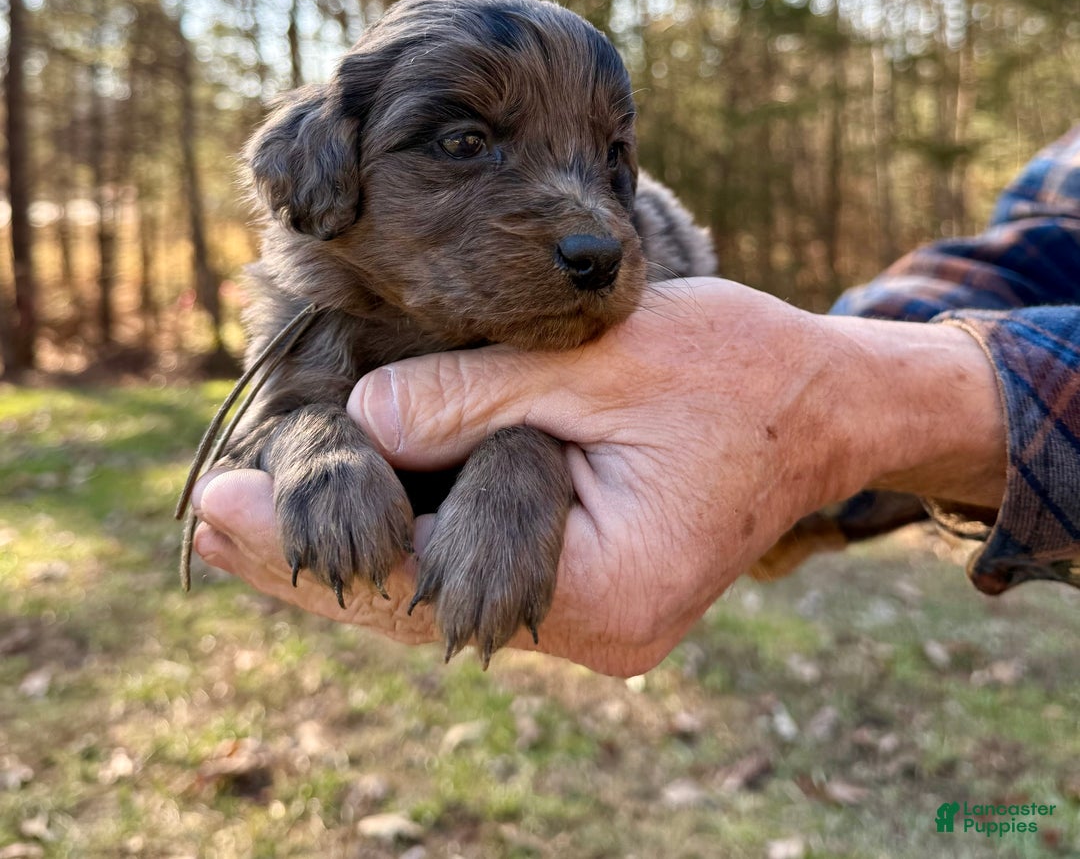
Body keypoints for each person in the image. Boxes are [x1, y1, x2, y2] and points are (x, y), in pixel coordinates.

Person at [190, 127, 1080, 678]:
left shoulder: (610, 250)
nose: (596, 226)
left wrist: (835, 414)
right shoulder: (306, 295)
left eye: (611, 157)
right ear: (323, 172)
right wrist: (825, 383)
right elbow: (1038, 255)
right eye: (466, 144)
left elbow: (614, 406)